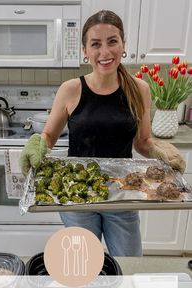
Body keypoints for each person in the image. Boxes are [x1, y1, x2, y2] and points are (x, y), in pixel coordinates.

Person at [20, 10, 185, 257]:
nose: (105, 52)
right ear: (85, 51)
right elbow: (49, 136)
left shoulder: (139, 89)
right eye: (95, 44)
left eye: (112, 41)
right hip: (77, 195)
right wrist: (36, 144)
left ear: (123, 46)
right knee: (84, 263)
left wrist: (160, 150)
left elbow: (142, 141)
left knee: (130, 264)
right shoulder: (71, 89)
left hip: (124, 193)